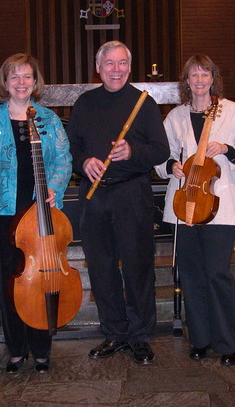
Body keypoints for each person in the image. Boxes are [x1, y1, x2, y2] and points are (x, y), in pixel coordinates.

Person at [67, 41, 169, 365]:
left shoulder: (144, 104)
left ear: (129, 66)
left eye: (122, 63)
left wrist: (133, 152)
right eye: (109, 63)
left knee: (139, 268)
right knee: (101, 268)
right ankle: (114, 332)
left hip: (131, 195)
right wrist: (83, 162)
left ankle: (140, 336)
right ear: (98, 68)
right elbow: (71, 148)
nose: (116, 69)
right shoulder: (84, 104)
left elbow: (161, 151)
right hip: (94, 197)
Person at [155, 54, 235, 366]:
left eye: (205, 75)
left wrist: (228, 150)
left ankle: (227, 343)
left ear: (214, 79)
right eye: (193, 75)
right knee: (191, 276)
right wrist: (172, 166)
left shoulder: (232, 113)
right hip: (185, 205)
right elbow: (162, 157)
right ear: (186, 81)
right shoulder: (176, 116)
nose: (199, 80)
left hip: (219, 208)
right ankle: (199, 339)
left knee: (216, 274)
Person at [0, 53, 72, 374]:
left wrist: (55, 185)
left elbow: (63, 158)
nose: (20, 82)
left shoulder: (48, 119)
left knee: (42, 283)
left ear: (35, 81)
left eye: (27, 76)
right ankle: (16, 350)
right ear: (5, 81)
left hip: (39, 215)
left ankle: (41, 349)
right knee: (9, 284)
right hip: (4, 216)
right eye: (14, 76)